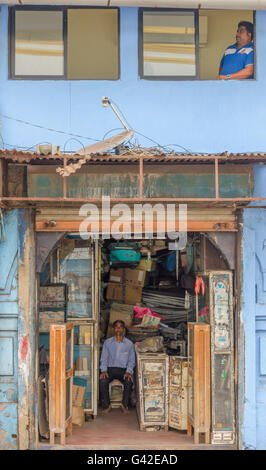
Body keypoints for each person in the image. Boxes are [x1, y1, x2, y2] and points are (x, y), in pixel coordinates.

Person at [99, 319, 135, 415]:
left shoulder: (129, 344)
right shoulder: (108, 342)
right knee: (103, 381)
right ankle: (107, 406)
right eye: (116, 327)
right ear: (114, 329)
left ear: (123, 329)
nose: (118, 329)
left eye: (120, 327)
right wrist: (104, 370)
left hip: (123, 370)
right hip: (110, 369)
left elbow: (131, 360)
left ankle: (124, 405)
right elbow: (104, 358)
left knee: (129, 381)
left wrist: (129, 371)